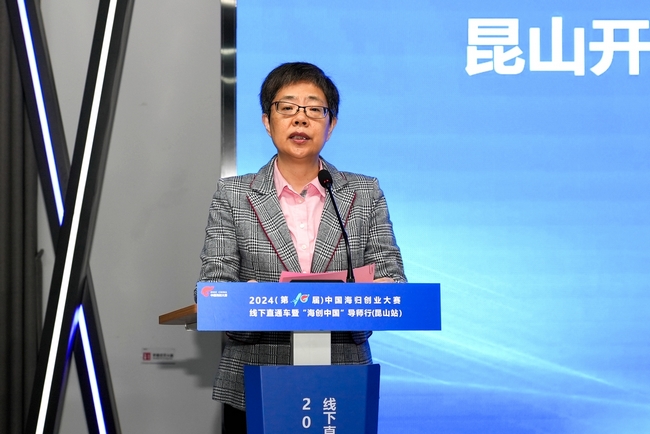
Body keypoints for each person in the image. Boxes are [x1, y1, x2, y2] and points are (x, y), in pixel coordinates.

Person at [198, 62, 406, 433]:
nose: (300, 118)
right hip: (255, 378)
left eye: (314, 109)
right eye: (287, 107)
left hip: (343, 376)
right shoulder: (233, 195)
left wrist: (380, 288)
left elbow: (392, 277)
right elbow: (214, 282)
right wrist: (243, 298)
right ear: (267, 121)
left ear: (331, 124)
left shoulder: (364, 193)